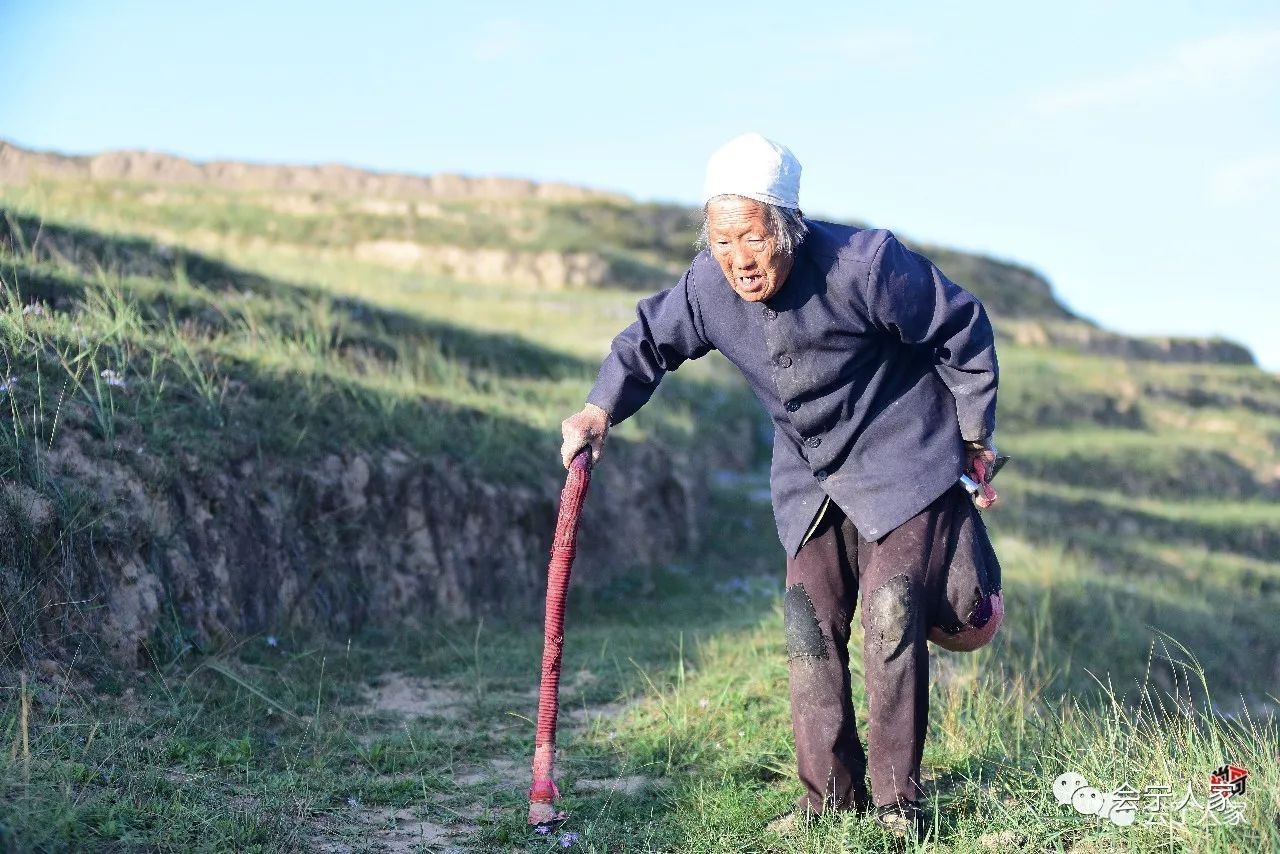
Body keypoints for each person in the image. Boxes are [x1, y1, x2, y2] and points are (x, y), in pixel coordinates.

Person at [560, 132, 1004, 840]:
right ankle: (829, 797)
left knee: (891, 608)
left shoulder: (866, 266)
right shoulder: (708, 285)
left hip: (903, 458)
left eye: (753, 238)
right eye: (722, 240)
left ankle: (897, 803)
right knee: (806, 620)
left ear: (789, 227)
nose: (739, 259)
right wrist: (600, 407)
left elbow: (961, 324)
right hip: (811, 477)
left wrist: (975, 435)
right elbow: (649, 338)